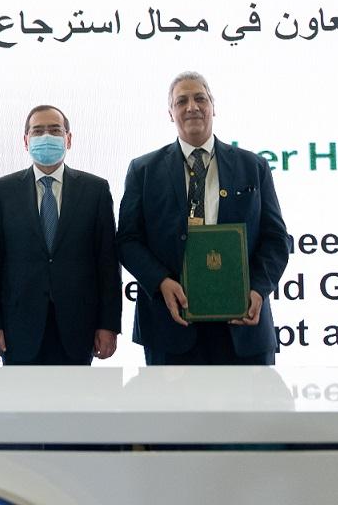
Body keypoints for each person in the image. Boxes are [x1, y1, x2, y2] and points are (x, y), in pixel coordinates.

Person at [117, 72, 289, 365]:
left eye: (200, 98)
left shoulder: (253, 166)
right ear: (170, 113)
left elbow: (276, 239)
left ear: (213, 106)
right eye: (181, 101)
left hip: (242, 327)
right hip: (170, 326)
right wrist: (160, 282)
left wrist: (259, 289)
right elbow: (128, 240)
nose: (192, 107)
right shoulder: (143, 170)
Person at [0, 105, 121, 365]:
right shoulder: (1, 191)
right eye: (38, 131)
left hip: (79, 328)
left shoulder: (95, 190)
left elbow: (108, 264)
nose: (46, 136)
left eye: (55, 130)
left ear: (68, 139)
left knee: (74, 393)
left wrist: (108, 325)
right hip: (17, 327)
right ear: (26, 141)